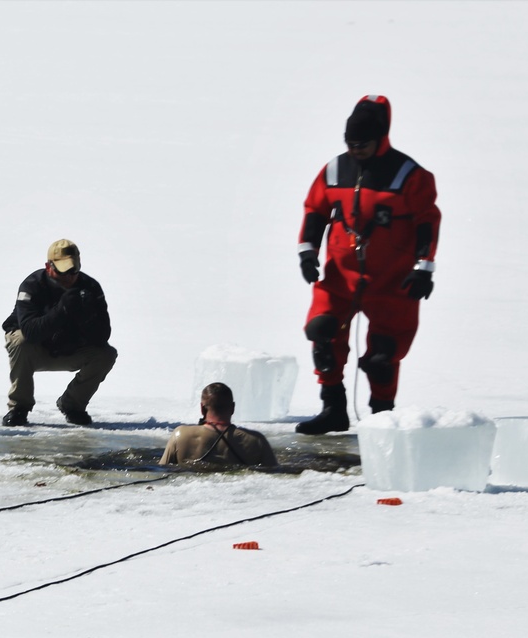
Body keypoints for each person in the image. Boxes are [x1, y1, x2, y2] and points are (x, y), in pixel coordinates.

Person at [295, 95, 441, 435]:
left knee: (382, 356)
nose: (356, 150)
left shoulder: (411, 175)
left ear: (381, 138)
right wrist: (307, 251)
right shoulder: (334, 170)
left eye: (363, 144)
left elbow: (427, 222)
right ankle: (333, 408)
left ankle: (381, 417)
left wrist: (424, 267)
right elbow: (315, 210)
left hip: (392, 281)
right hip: (340, 278)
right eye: (350, 143)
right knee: (322, 333)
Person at [1, 239, 117, 427]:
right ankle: (19, 407)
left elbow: (103, 336)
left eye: (73, 271)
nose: (67, 277)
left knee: (106, 354)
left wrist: (85, 316)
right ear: (48, 267)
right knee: (19, 340)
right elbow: (31, 332)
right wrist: (62, 310)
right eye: (61, 271)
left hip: (70, 349)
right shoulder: (32, 285)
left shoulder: (90, 288)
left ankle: (73, 404)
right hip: (35, 350)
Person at [159, 382, 278, 467]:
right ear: (233, 408)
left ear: (202, 408)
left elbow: (161, 469)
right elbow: (275, 474)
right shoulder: (256, 440)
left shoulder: (180, 434)